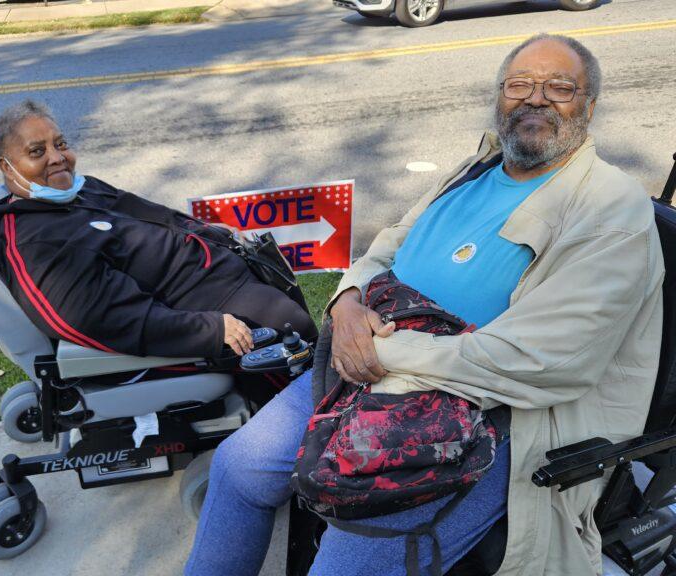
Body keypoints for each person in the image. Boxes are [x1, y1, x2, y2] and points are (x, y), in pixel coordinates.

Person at [185, 34, 664, 576]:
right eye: (519, 85)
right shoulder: (480, 166)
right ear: (499, 98)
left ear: (590, 106)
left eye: (559, 87)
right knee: (237, 467)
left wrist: (381, 351)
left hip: (482, 411)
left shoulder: (611, 208)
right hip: (375, 362)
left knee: (345, 560)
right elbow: (390, 241)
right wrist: (345, 303)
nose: (535, 99)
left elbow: (541, 361)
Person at [0, 100, 317, 365]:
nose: (58, 158)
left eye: (60, 144)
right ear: (7, 166)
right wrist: (212, 329)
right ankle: (313, 428)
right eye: (37, 151)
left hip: (221, 276)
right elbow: (101, 318)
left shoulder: (84, 191)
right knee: (291, 325)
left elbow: (159, 216)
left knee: (290, 302)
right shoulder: (36, 242)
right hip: (198, 308)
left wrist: (214, 233)